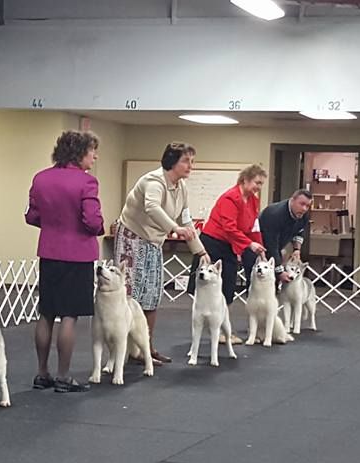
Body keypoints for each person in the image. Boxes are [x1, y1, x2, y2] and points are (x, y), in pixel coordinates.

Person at [114, 142, 208, 365]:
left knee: (152, 294)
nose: (190, 166)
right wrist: (173, 229)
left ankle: (145, 348)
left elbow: (186, 218)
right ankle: (124, 349)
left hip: (154, 241)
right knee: (132, 295)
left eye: (192, 161)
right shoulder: (153, 181)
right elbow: (152, 208)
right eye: (186, 161)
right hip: (132, 238)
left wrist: (200, 251)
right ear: (171, 161)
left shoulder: (181, 187)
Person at [25, 130, 104, 393]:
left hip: (48, 251)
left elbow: (32, 216)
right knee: (69, 315)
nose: (95, 156)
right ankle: (63, 376)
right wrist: (99, 228)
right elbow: (92, 221)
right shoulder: (87, 182)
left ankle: (41, 372)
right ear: (80, 152)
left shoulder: (41, 178)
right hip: (78, 255)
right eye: (92, 151)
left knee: (46, 313)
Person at [195, 165, 268, 309]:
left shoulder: (254, 200)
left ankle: (223, 328)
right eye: (257, 183)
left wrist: (260, 248)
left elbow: (254, 226)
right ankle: (213, 327)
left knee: (228, 288)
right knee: (210, 288)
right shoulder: (230, 198)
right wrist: (249, 244)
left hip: (230, 244)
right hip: (214, 243)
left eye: (261, 184)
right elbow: (229, 228)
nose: (259, 187)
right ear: (245, 180)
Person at [258, 189, 313, 283]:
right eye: (302, 204)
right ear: (292, 200)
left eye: (307, 206)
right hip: (258, 249)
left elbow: (299, 232)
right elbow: (271, 245)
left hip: (275, 248)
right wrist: (280, 271)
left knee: (273, 287)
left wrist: (296, 250)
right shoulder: (274, 214)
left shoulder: (304, 215)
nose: (304, 208)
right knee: (258, 287)